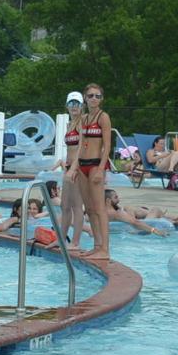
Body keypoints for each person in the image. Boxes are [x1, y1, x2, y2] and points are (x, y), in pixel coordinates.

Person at [67, 83, 114, 260]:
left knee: (100, 208)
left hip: (95, 164)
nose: (94, 99)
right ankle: (97, 245)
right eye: (91, 96)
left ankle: (105, 249)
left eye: (98, 96)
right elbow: (80, 145)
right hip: (83, 165)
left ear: (101, 99)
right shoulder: (84, 119)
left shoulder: (103, 117)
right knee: (90, 209)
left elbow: (108, 145)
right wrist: (74, 167)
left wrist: (101, 169)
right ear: (85, 98)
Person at [54, 91, 88, 251]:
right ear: (67, 106)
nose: (74, 107)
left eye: (77, 104)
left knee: (76, 206)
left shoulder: (82, 122)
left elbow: (82, 147)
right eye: (71, 104)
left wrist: (74, 168)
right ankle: (61, 239)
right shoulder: (70, 124)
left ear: (82, 106)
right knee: (64, 205)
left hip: (78, 168)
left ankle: (75, 242)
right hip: (69, 167)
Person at [103, 189, 170, 236]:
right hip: (137, 231)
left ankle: (170, 218)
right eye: (116, 197)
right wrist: (155, 230)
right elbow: (135, 223)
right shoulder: (116, 213)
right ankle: (172, 220)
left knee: (131, 209)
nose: (119, 199)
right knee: (156, 210)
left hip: (125, 229)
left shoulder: (101, 212)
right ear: (108, 200)